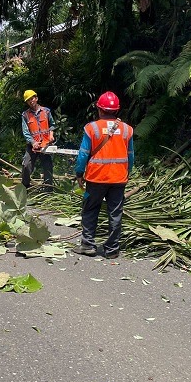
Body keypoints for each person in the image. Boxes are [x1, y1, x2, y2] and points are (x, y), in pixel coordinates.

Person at [73, 91, 134, 259]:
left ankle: (88, 245)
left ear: (99, 109)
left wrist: (79, 173)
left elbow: (83, 154)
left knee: (91, 210)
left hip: (96, 178)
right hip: (118, 179)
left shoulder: (91, 128)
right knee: (115, 212)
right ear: (117, 110)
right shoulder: (127, 130)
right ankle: (112, 249)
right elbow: (131, 156)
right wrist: (126, 173)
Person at [20, 89, 55, 190]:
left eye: (32, 99)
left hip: (45, 144)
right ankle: (25, 188)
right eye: (28, 100)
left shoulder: (46, 111)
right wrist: (33, 142)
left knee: (48, 167)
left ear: (36, 98)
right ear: (27, 102)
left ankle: (48, 189)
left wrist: (51, 135)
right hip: (32, 145)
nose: (31, 101)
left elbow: (52, 125)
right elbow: (25, 132)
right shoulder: (25, 115)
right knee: (26, 165)